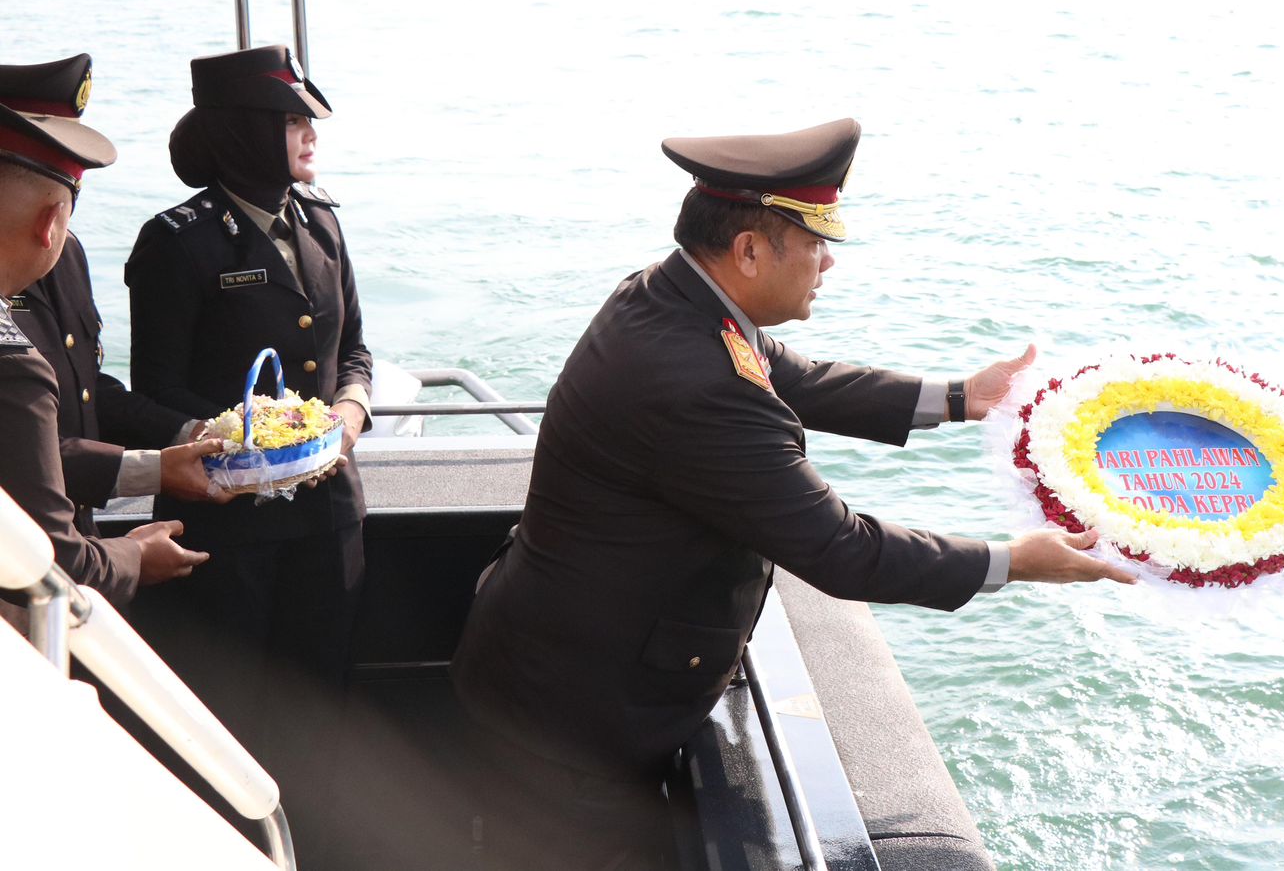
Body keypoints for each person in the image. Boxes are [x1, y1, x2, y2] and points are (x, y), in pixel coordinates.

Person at [451, 116, 1136, 869]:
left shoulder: (670, 297)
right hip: (580, 722)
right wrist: (1015, 560)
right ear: (749, 250)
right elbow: (841, 550)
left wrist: (959, 396)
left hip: (551, 666)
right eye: (815, 241)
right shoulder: (696, 382)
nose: (828, 263)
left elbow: (790, 374)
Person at [123, 44, 371, 860]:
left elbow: (356, 354)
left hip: (328, 517)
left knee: (322, 708)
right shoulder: (178, 243)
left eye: (309, 119)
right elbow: (146, 395)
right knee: (229, 717)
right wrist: (230, 438)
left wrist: (345, 414)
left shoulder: (323, 221)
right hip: (228, 532)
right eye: (291, 120)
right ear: (240, 133)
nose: (310, 134)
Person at [0, 53, 209, 632]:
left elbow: (86, 388)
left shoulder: (68, 259)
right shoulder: (11, 364)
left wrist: (180, 438)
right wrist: (135, 556)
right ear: (49, 223)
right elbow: (50, 565)